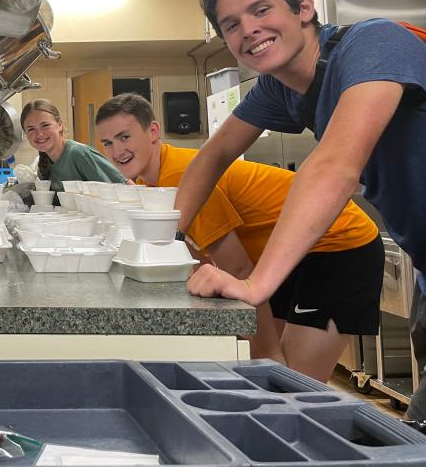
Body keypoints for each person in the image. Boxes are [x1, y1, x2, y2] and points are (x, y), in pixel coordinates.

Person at [177, 0, 426, 418]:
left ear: (303, 8)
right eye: (231, 24)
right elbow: (212, 156)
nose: (248, 30)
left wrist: (255, 285)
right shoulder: (281, 90)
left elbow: (334, 165)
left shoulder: (376, 43)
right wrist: (166, 240)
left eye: (261, 10)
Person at [95, 93, 382, 382]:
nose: (117, 150)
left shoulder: (180, 176)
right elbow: (196, 256)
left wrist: (268, 354)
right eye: (107, 142)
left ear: (153, 131)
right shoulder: (150, 181)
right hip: (285, 256)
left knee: (294, 383)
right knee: (272, 376)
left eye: (124, 137)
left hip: (338, 243)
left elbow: (240, 270)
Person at [21, 99, 127, 190]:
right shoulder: (45, 164)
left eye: (45, 125)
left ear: (60, 125)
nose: (39, 133)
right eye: (31, 129)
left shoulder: (79, 154)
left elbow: (124, 187)